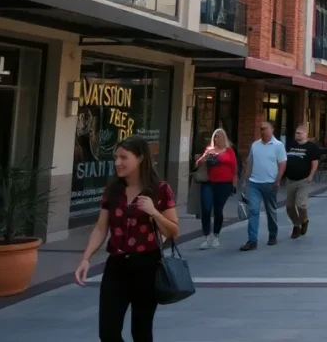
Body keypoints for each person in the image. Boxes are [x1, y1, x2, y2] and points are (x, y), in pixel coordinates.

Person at [74, 136, 180, 342]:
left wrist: (154, 213)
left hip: (147, 266)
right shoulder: (113, 190)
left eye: (124, 157)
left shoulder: (160, 190)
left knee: (141, 332)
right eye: (116, 157)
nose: (117, 163)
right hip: (116, 266)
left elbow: (173, 231)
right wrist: (86, 258)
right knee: (108, 332)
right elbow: (100, 228)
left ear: (140, 158)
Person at [240, 120, 287, 251]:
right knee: (253, 210)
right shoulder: (255, 145)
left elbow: (282, 163)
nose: (262, 131)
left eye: (265, 128)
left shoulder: (278, 145)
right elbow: (250, 162)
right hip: (254, 183)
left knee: (270, 210)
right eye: (261, 129)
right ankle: (252, 240)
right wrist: (245, 180)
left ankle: (273, 234)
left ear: (272, 130)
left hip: (270, 183)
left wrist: (277, 180)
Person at [194, 127, 237, 250]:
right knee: (206, 209)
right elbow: (198, 164)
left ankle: (216, 236)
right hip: (209, 183)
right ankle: (206, 237)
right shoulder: (209, 150)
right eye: (216, 136)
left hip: (224, 184)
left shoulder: (229, 151)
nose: (218, 138)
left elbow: (234, 168)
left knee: (218, 210)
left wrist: (234, 184)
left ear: (225, 138)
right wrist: (203, 158)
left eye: (220, 135)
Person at [285, 125, 320, 240]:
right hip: (290, 180)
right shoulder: (290, 145)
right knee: (289, 206)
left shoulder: (311, 147)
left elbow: (315, 162)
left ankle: (304, 220)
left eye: (300, 133)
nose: (297, 135)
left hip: (303, 180)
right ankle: (296, 225)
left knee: (301, 204)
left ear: (305, 134)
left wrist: (311, 175)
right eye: (296, 133)